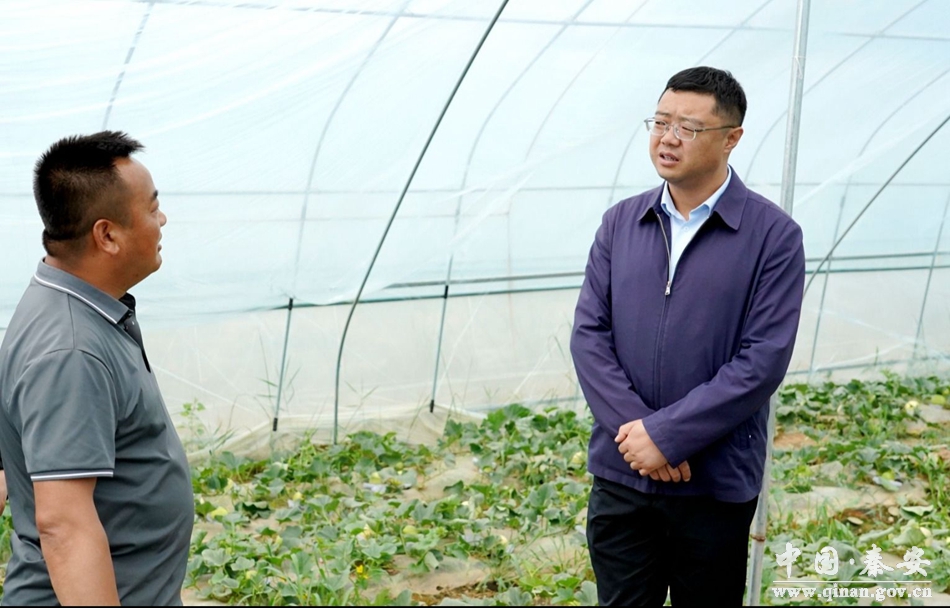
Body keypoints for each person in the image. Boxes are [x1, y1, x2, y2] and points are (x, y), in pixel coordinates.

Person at [571, 67, 805, 606]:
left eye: (689, 128)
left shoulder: (772, 237)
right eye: (660, 122)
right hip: (623, 475)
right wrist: (640, 437)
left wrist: (669, 436)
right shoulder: (620, 223)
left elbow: (762, 361)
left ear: (731, 138)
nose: (668, 138)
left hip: (712, 482)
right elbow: (589, 336)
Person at [0, 131, 194, 605]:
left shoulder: (74, 310)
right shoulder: (70, 349)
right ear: (107, 235)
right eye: (152, 208)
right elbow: (63, 525)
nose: (162, 219)